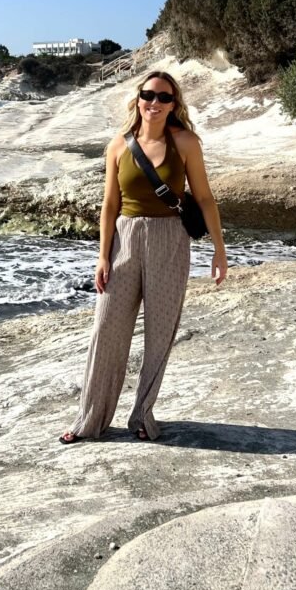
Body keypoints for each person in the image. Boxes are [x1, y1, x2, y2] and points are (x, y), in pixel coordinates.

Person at [59, 70, 228, 444]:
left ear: (174, 104)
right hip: (125, 239)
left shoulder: (185, 142)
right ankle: (90, 419)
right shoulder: (118, 146)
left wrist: (219, 250)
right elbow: (109, 204)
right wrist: (103, 256)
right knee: (106, 330)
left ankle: (142, 415)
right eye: (149, 95)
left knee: (160, 332)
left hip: (170, 239)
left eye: (164, 97)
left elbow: (204, 198)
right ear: (138, 99)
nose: (155, 103)